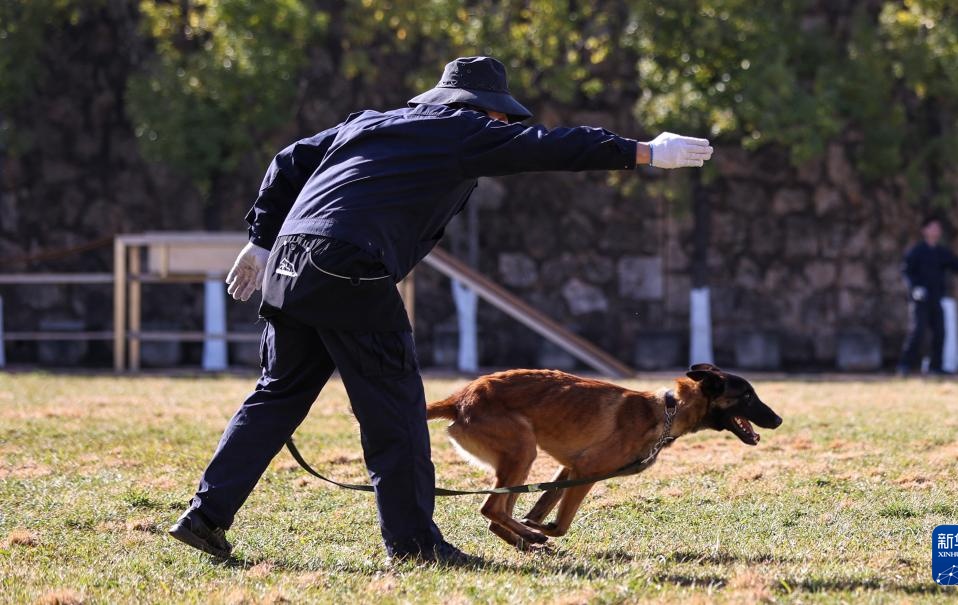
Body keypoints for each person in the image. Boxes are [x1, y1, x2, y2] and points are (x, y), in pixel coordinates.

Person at [168, 56, 713, 565]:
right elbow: (549, 146)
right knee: (398, 410)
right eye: (503, 115)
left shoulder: (369, 122)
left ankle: (206, 515)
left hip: (289, 263)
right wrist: (643, 151)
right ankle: (413, 544)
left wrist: (263, 239)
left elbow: (288, 160)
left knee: (277, 394)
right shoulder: (463, 130)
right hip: (348, 264)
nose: (505, 125)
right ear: (482, 107)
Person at [897, 215, 958, 376]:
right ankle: (904, 366)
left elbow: (957, 266)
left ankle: (936, 367)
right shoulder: (917, 251)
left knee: (940, 332)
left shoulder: (941, 252)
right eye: (932, 227)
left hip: (936, 298)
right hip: (920, 299)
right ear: (924, 230)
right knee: (917, 332)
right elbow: (906, 271)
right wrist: (914, 289)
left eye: (938, 228)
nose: (936, 231)